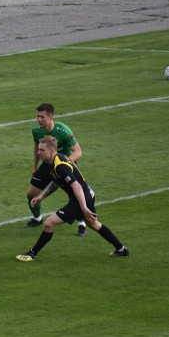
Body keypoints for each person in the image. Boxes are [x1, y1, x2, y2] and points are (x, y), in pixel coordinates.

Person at [16, 136, 129, 262]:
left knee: (49, 223)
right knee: (93, 224)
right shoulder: (54, 161)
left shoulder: (60, 166)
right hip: (88, 194)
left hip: (81, 198)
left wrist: (84, 208)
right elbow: (57, 182)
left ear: (52, 151)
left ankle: (32, 253)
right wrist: (41, 197)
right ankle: (121, 249)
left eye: (42, 150)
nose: (38, 153)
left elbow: (76, 185)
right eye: (38, 149)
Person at [25, 102, 87, 236]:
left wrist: (65, 164)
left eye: (42, 117)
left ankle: (82, 223)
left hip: (63, 165)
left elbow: (78, 151)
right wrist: (35, 166)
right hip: (47, 164)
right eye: (37, 116)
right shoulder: (36, 130)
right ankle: (37, 218)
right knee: (30, 193)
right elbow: (37, 148)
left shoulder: (63, 130)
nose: (39, 120)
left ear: (51, 117)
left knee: (75, 194)